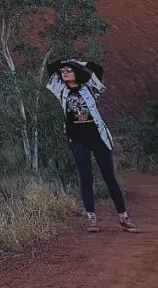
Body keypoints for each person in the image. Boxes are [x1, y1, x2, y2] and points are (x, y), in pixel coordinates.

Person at [46, 58, 139, 233]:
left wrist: (78, 62)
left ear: (77, 73)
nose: (65, 72)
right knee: (86, 179)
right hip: (78, 141)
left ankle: (124, 217)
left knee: (110, 178)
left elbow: (98, 69)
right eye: (63, 71)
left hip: (99, 139)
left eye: (69, 70)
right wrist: (65, 62)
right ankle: (91, 219)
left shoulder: (89, 88)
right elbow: (51, 68)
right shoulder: (61, 91)